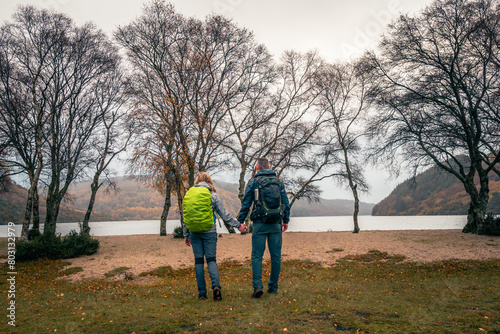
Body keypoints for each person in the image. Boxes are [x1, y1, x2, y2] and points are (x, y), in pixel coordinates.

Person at [183, 172, 246, 301]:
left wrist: (186, 235)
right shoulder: (213, 195)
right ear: (209, 182)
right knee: (211, 260)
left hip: (194, 233)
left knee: (199, 261)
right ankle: (216, 288)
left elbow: (185, 217)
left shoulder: (188, 196)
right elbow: (225, 215)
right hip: (209, 232)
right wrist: (238, 225)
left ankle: (202, 293)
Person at [237, 158, 290, 298]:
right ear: (270, 166)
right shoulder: (278, 182)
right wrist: (285, 220)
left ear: (256, 167)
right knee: (276, 256)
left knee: (257, 256)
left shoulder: (254, 182)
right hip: (276, 223)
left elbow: (246, 204)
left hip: (259, 223)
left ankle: (257, 286)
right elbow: (285, 202)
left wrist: (240, 221)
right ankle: (273, 287)